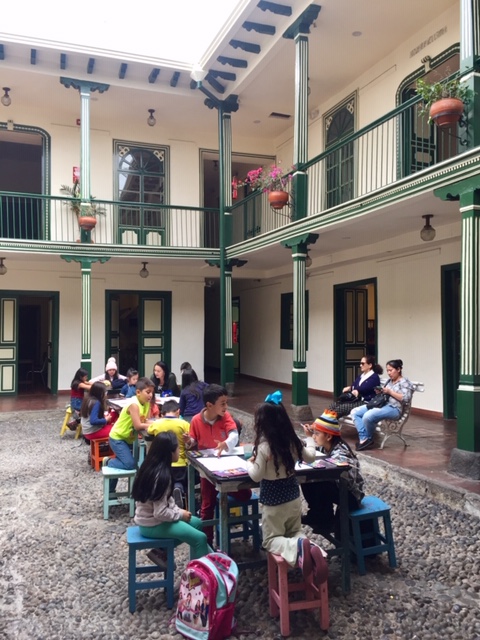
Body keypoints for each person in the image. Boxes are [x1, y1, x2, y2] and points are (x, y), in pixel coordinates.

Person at [246, 390, 328, 586]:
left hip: (273, 501)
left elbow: (256, 476)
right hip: (292, 497)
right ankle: (311, 550)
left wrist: (250, 463)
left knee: (271, 539)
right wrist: (309, 438)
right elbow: (310, 457)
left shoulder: (264, 447)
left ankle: (299, 549)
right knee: (295, 531)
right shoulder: (292, 442)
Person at [185, 383, 251, 546]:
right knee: (207, 506)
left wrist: (225, 444)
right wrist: (189, 441)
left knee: (246, 494)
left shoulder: (225, 417)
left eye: (226, 403)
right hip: (207, 470)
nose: (226, 407)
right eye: (222, 403)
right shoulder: (196, 420)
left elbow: (234, 435)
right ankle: (207, 541)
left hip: (228, 466)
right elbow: (193, 441)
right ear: (209, 405)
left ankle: (222, 500)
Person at [132, 431, 211, 565]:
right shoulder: (161, 477)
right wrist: (179, 514)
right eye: (178, 448)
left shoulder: (151, 466)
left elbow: (165, 504)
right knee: (200, 538)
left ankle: (161, 550)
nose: (179, 451)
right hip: (152, 524)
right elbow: (160, 513)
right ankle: (203, 573)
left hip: (150, 519)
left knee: (197, 523)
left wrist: (179, 512)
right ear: (170, 453)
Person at [301, 410, 365, 536]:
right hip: (338, 489)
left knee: (318, 483)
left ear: (329, 437)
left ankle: (324, 518)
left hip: (350, 495)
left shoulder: (341, 453)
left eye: (317, 434)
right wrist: (309, 435)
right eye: (314, 433)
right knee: (306, 478)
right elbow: (307, 446)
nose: (314, 437)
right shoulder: (325, 446)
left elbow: (342, 478)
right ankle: (318, 515)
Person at [351, 359, 413, 451]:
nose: (389, 373)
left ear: (398, 369)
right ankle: (364, 438)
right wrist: (380, 391)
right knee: (355, 412)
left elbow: (405, 398)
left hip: (394, 408)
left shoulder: (404, 382)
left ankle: (368, 439)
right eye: (387, 371)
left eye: (391, 370)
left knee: (367, 416)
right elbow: (385, 394)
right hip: (382, 404)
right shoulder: (389, 381)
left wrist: (390, 392)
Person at [104, 377, 155, 489]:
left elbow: (145, 420)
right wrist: (154, 425)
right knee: (130, 464)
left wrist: (157, 423)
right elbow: (138, 425)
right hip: (118, 438)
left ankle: (132, 490)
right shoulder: (134, 404)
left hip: (129, 439)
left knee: (145, 459)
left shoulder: (146, 403)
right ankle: (109, 462)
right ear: (138, 392)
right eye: (148, 392)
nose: (150, 395)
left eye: (152, 392)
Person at [147, 399, 190, 506]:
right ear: (178, 411)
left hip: (161, 463)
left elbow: (149, 431)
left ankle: (165, 501)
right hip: (180, 462)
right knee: (180, 481)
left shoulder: (157, 424)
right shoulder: (184, 424)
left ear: (162, 413)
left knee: (164, 483)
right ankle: (179, 490)